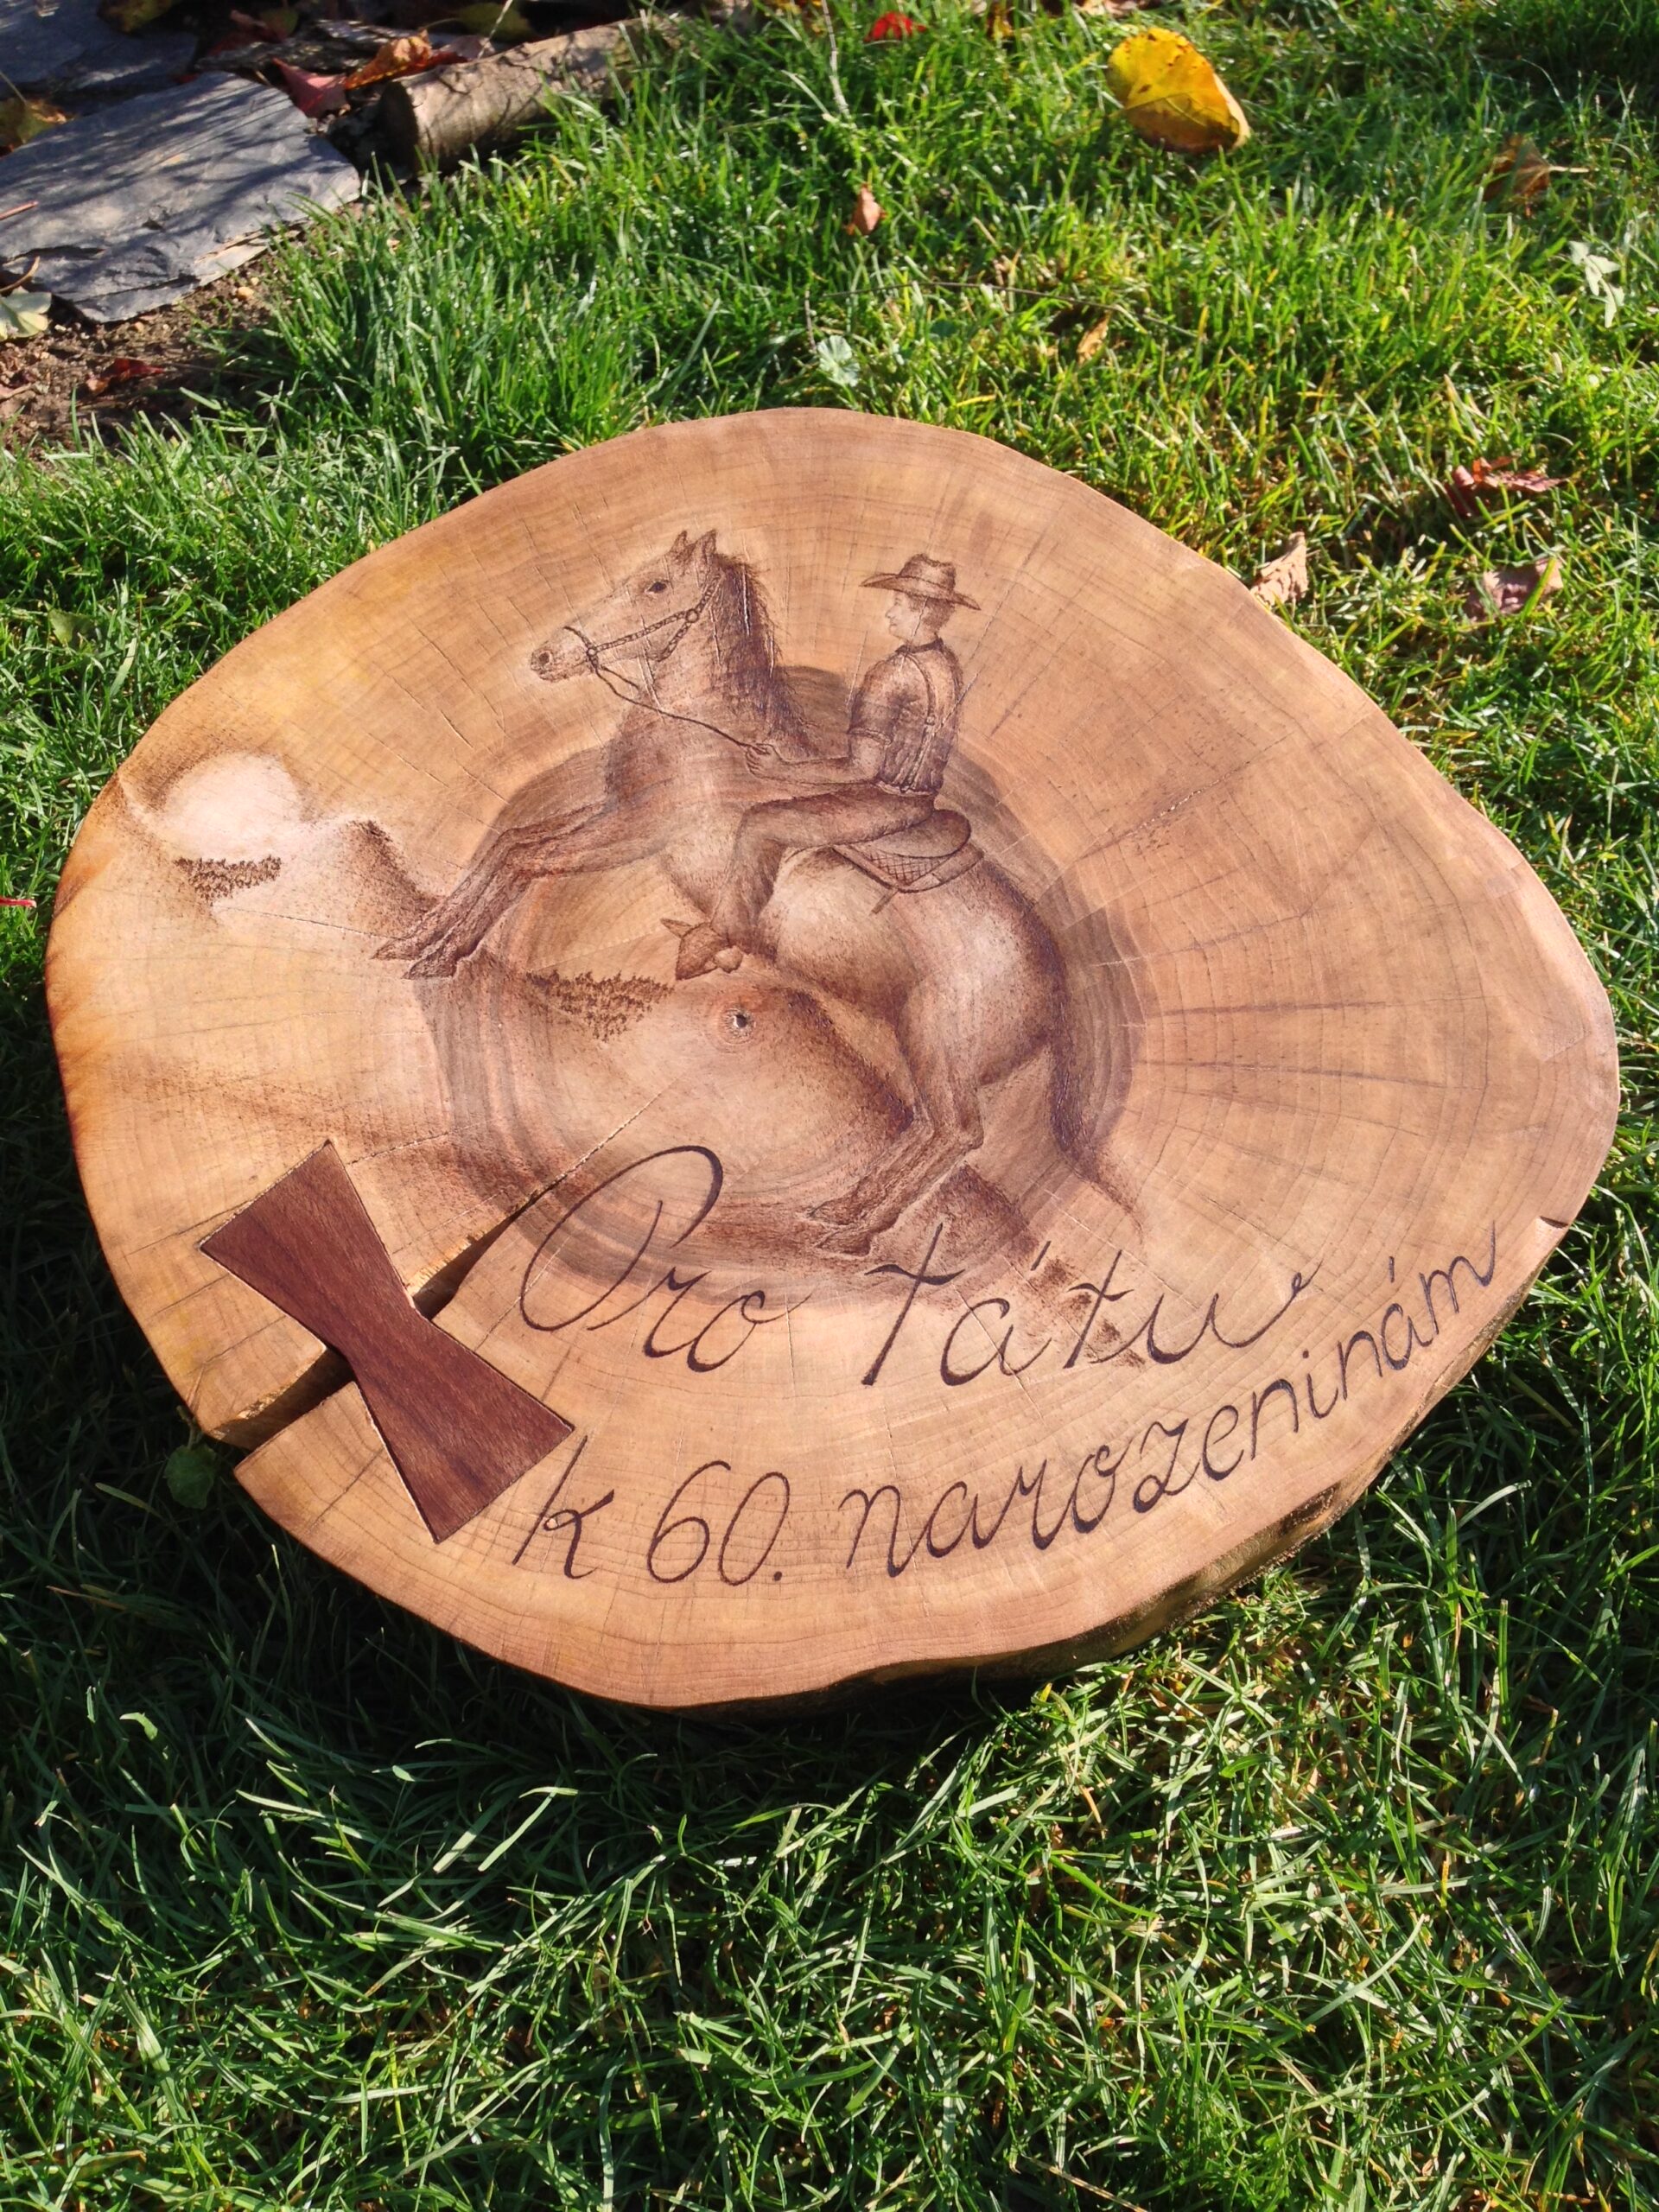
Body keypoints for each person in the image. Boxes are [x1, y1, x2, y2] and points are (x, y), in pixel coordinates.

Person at [672, 553, 979, 980]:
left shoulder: (891, 675)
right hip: (918, 800)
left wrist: (782, 769)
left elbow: (862, 769)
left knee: (760, 824)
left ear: (924, 609)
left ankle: (724, 935)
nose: (890, 611)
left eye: (899, 603)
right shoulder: (946, 666)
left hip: (885, 805)